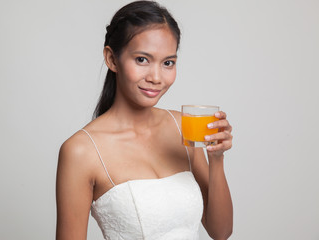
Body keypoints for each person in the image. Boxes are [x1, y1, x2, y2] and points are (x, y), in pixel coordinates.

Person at [56, 1, 233, 239]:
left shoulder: (182, 126)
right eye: (142, 59)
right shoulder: (81, 151)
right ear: (112, 59)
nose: (156, 77)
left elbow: (221, 232)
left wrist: (216, 159)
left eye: (168, 63)